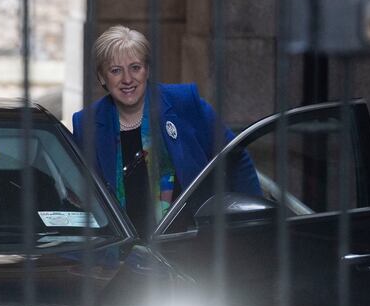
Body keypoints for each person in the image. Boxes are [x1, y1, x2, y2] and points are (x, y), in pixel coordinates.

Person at [72, 25, 260, 234]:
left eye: (135, 67)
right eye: (116, 70)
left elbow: (236, 158)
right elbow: (81, 196)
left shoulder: (185, 103)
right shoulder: (86, 124)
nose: (127, 79)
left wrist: (252, 224)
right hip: (125, 253)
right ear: (101, 77)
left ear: (147, 70)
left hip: (191, 246)